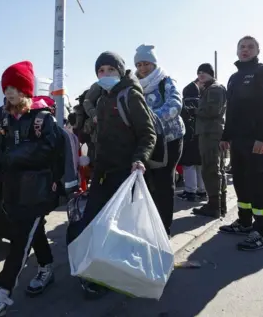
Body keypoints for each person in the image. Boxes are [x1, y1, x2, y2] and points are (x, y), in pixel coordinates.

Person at [0, 61, 63, 316]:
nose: (9, 92)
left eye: (15, 86)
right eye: (6, 86)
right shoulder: (4, 117)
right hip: (12, 192)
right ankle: (46, 267)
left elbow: (52, 151)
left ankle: (1, 292)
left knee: (21, 241)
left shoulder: (42, 118)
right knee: (34, 231)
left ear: (26, 90)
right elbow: (0, 154)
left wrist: (19, 155)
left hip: (37, 192)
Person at [66, 51, 156, 298]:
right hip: (103, 171)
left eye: (110, 70)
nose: (105, 75)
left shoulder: (130, 96)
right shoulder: (103, 100)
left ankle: (111, 274)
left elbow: (148, 134)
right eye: (101, 71)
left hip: (125, 173)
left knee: (117, 226)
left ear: (120, 71)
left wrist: (139, 160)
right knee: (96, 220)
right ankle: (98, 270)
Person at [218, 36, 263, 251]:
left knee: (258, 182)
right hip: (238, 140)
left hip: (256, 140)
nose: (245, 50)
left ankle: (261, 231)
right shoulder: (233, 77)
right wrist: (225, 136)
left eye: (250, 47)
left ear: (258, 50)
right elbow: (230, 111)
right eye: (242, 46)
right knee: (240, 180)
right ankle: (244, 222)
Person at [134, 44, 184, 236]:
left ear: (154, 63)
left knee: (164, 182)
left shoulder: (166, 81)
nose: (143, 68)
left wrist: (148, 119)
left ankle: (164, 229)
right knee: (147, 182)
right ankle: (148, 225)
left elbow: (175, 105)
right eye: (139, 64)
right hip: (149, 140)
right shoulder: (135, 84)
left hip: (170, 140)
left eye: (146, 63)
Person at [192, 63, 228, 218]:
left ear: (211, 74)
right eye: (199, 72)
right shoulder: (210, 88)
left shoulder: (214, 88)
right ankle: (220, 205)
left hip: (210, 133)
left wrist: (194, 110)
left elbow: (213, 110)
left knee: (210, 168)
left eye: (204, 72)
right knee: (216, 169)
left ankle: (214, 206)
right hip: (211, 132)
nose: (201, 75)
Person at [177, 79, 206, 202]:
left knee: (189, 166)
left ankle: (190, 191)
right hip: (202, 137)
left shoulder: (183, 104)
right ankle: (202, 191)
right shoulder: (203, 103)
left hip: (188, 138)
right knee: (200, 165)